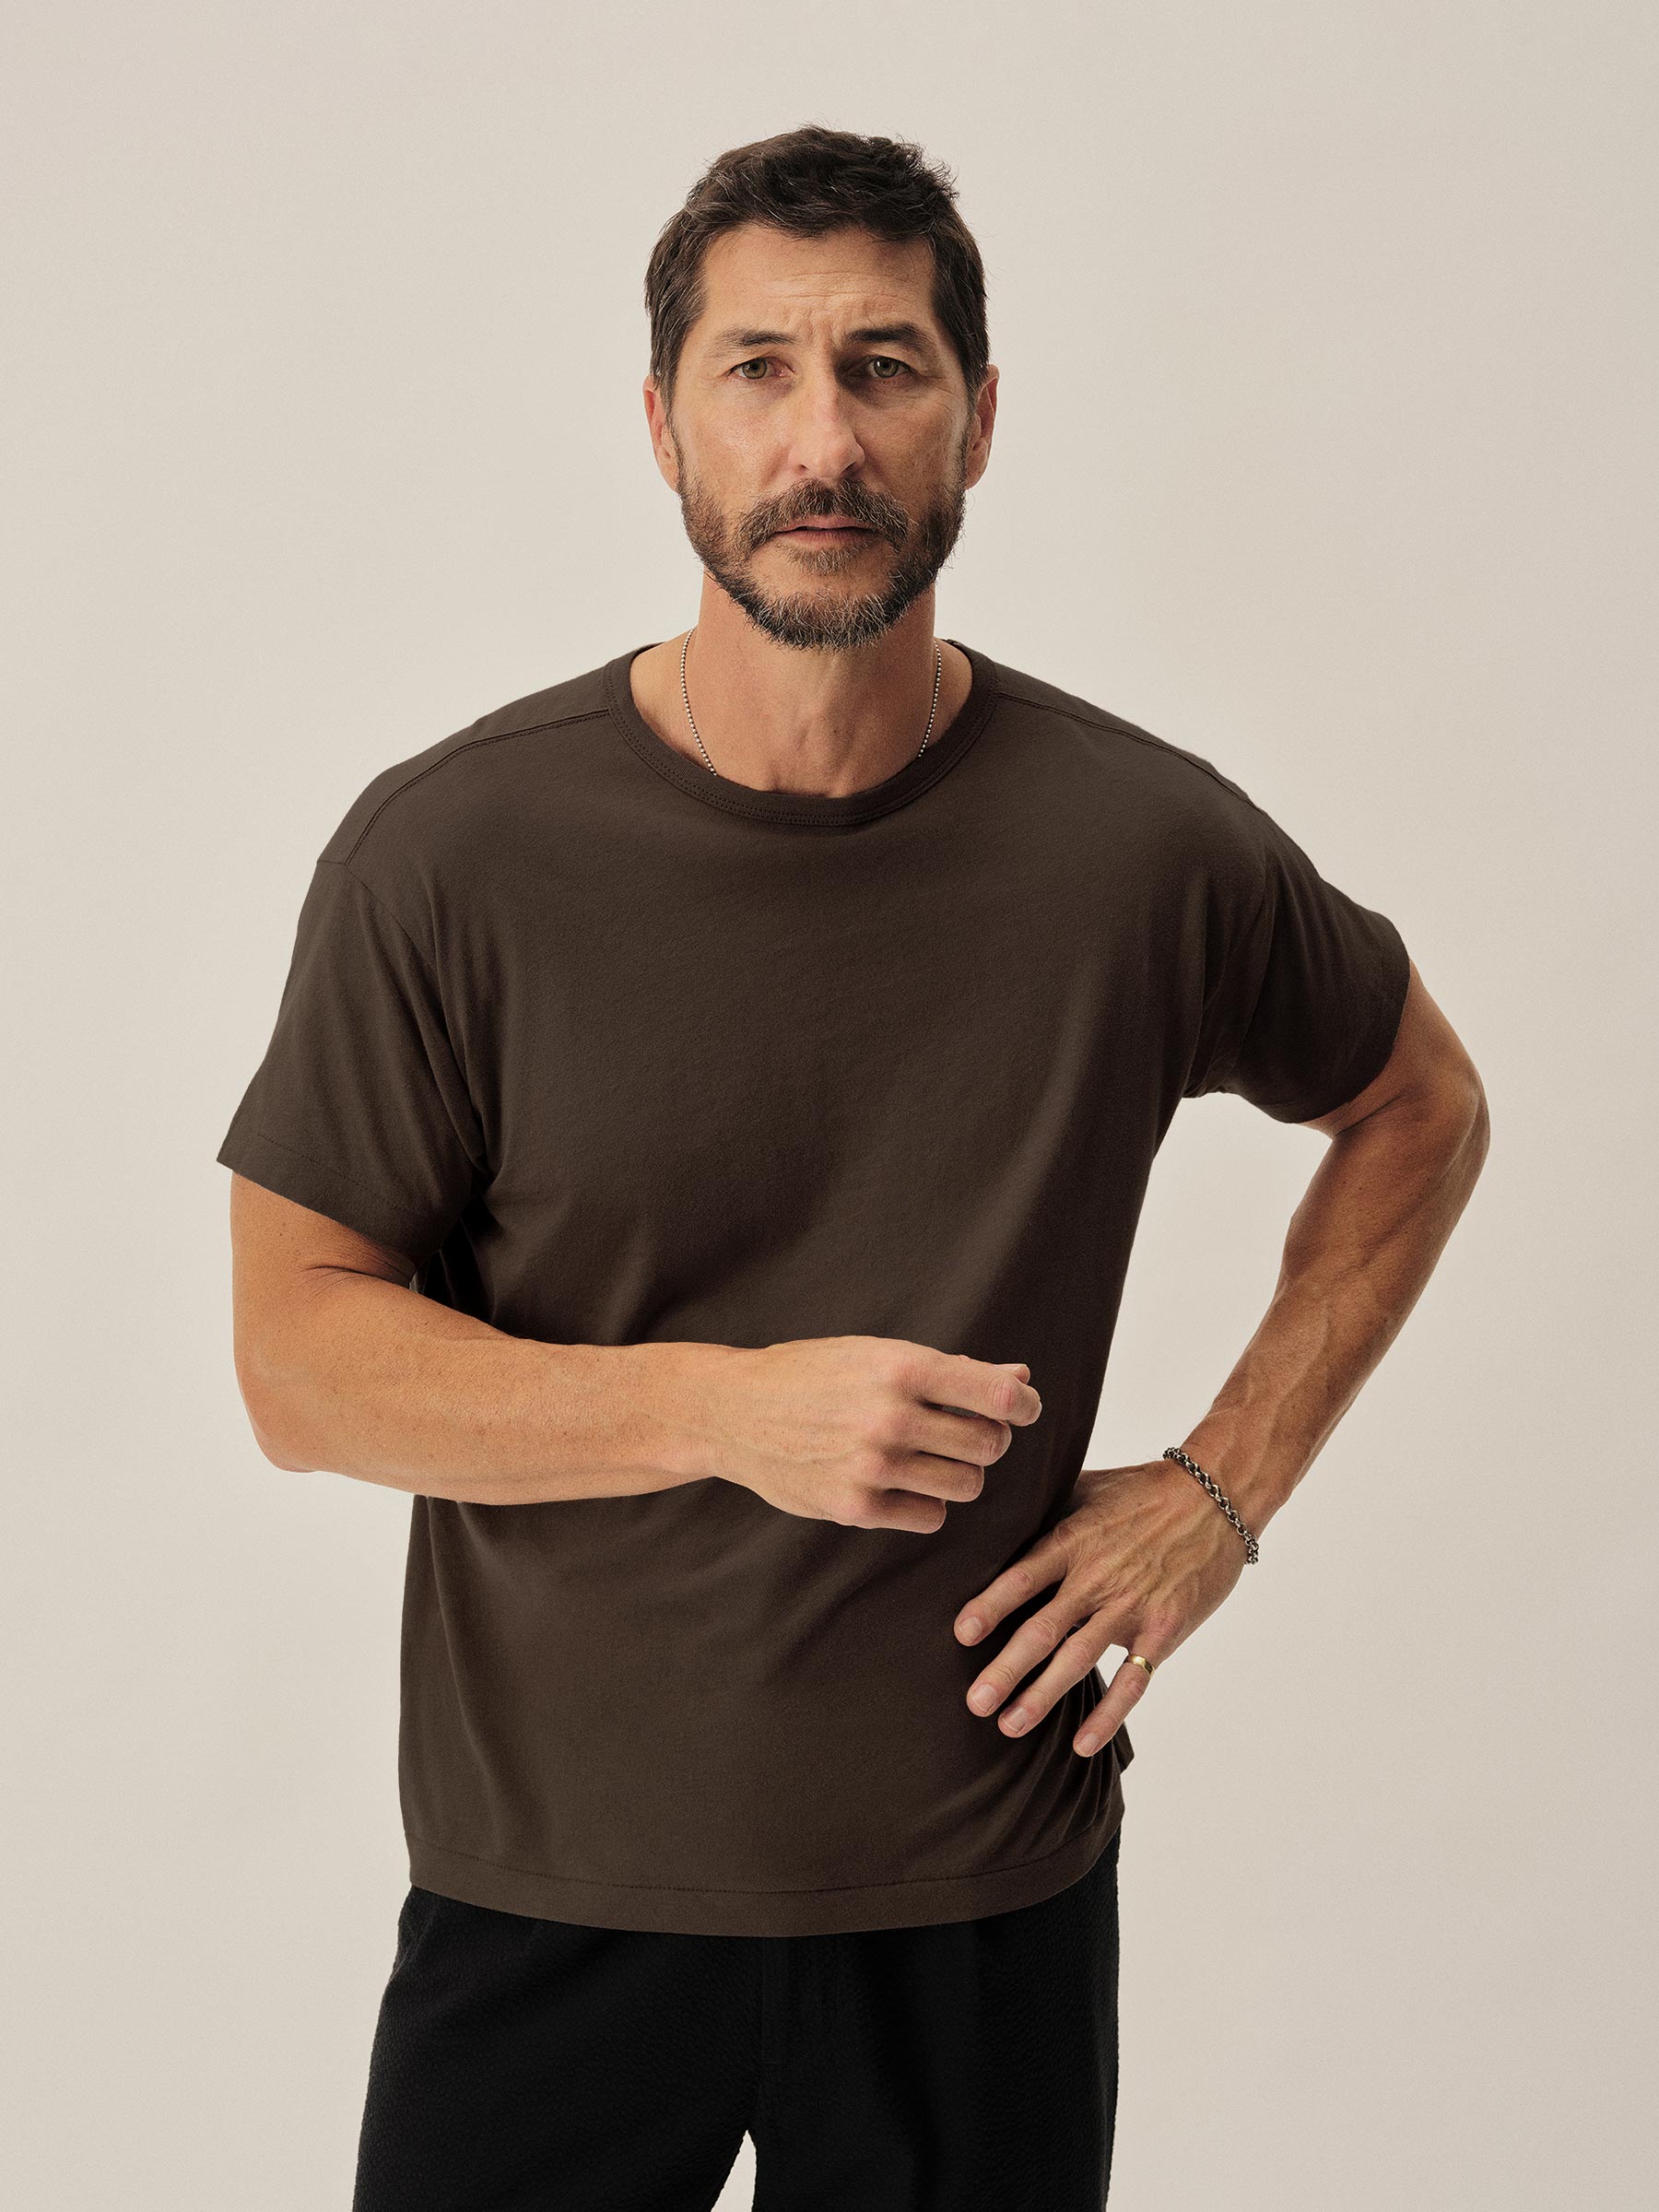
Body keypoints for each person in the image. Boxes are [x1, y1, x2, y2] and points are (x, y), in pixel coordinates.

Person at [217, 124, 1489, 2212]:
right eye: (760, 370)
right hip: (551, 1899)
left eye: (885, 367)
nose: (824, 439)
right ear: (663, 427)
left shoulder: (1140, 851)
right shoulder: (455, 856)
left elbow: (1421, 1103)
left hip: (982, 1911)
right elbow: (298, 1365)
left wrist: (1221, 1489)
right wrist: (723, 1412)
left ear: (978, 419)